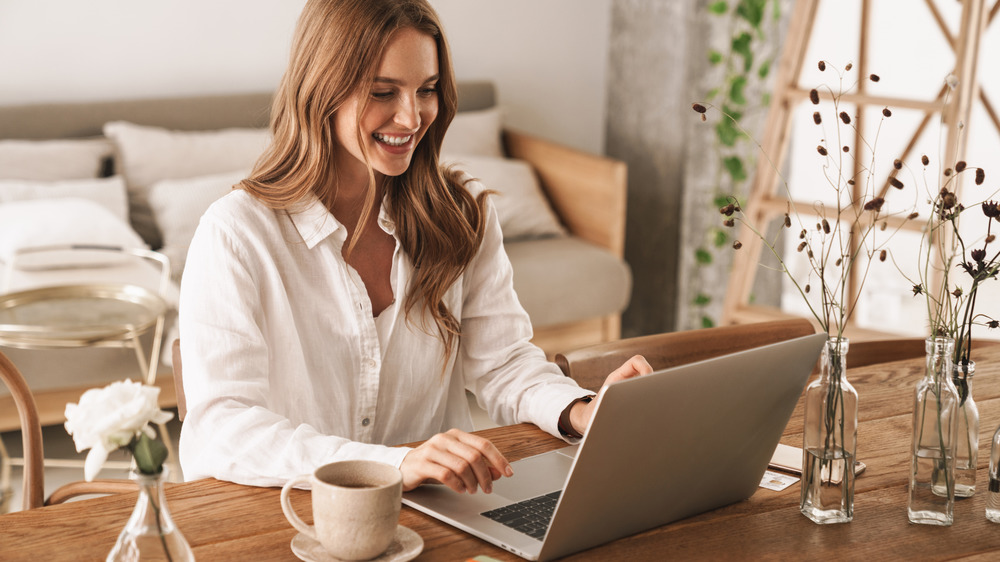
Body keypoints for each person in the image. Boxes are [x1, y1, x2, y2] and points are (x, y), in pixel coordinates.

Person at [177, 0, 651, 494]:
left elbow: (503, 361)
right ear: (322, 89)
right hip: (297, 517)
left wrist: (581, 411)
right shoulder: (237, 233)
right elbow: (221, 428)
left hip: (445, 512)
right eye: (384, 92)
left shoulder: (462, 213)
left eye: (426, 90)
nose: (411, 117)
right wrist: (391, 464)